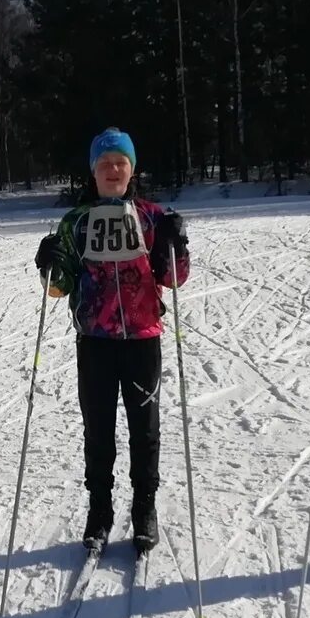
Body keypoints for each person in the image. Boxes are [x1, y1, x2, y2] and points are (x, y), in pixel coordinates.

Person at [34, 128, 191, 556]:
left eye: (120, 162)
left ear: (131, 168)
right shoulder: (77, 222)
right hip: (97, 341)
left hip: (142, 339)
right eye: (104, 163)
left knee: (145, 430)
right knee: (98, 429)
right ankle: (99, 510)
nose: (113, 169)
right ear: (93, 171)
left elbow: (174, 279)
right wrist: (48, 264)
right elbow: (59, 287)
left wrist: (177, 246)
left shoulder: (152, 217)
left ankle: (144, 509)